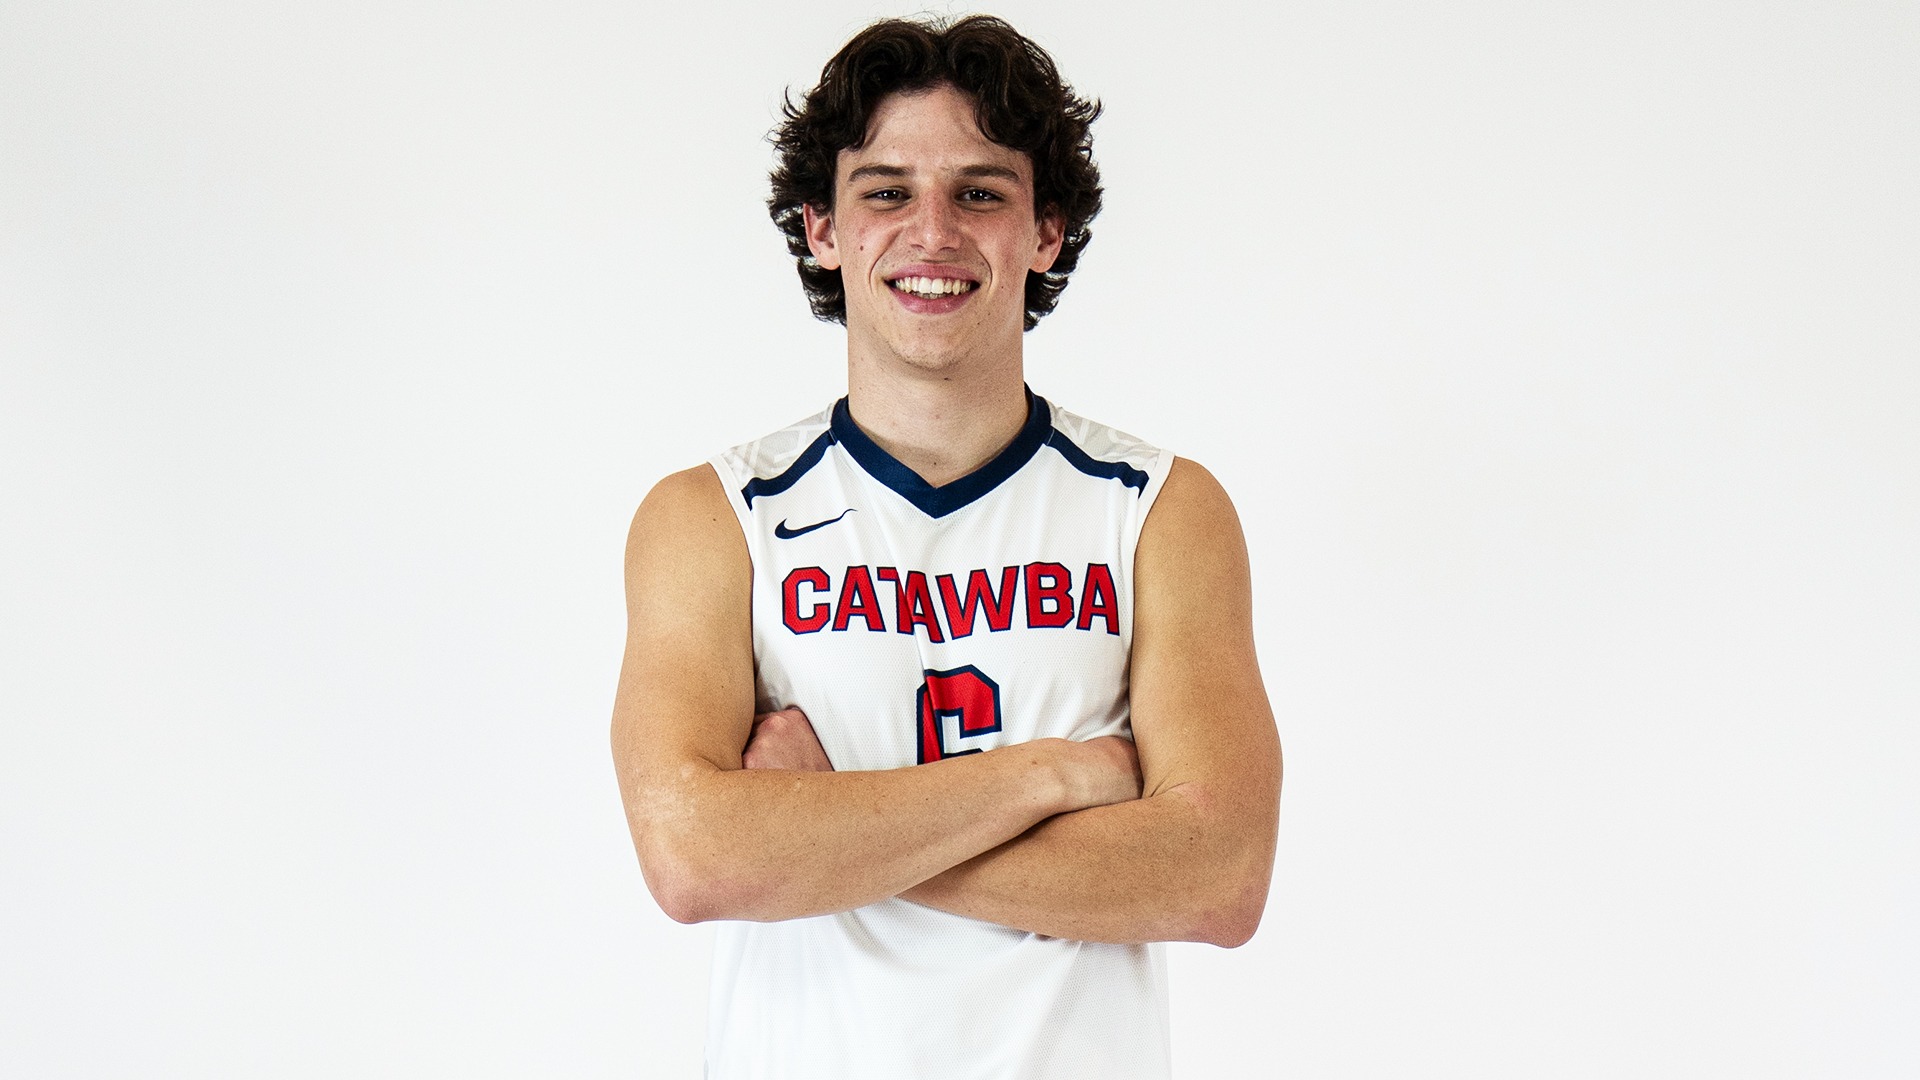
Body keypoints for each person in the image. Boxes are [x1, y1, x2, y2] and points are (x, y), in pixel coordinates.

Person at [611, 15, 1280, 1079]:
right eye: (885, 192)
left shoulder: (1157, 510)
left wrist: (816, 824)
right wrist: (1051, 776)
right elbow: (695, 859)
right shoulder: (714, 517)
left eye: (980, 192)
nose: (932, 232)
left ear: (1046, 231)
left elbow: (1218, 875)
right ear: (822, 228)